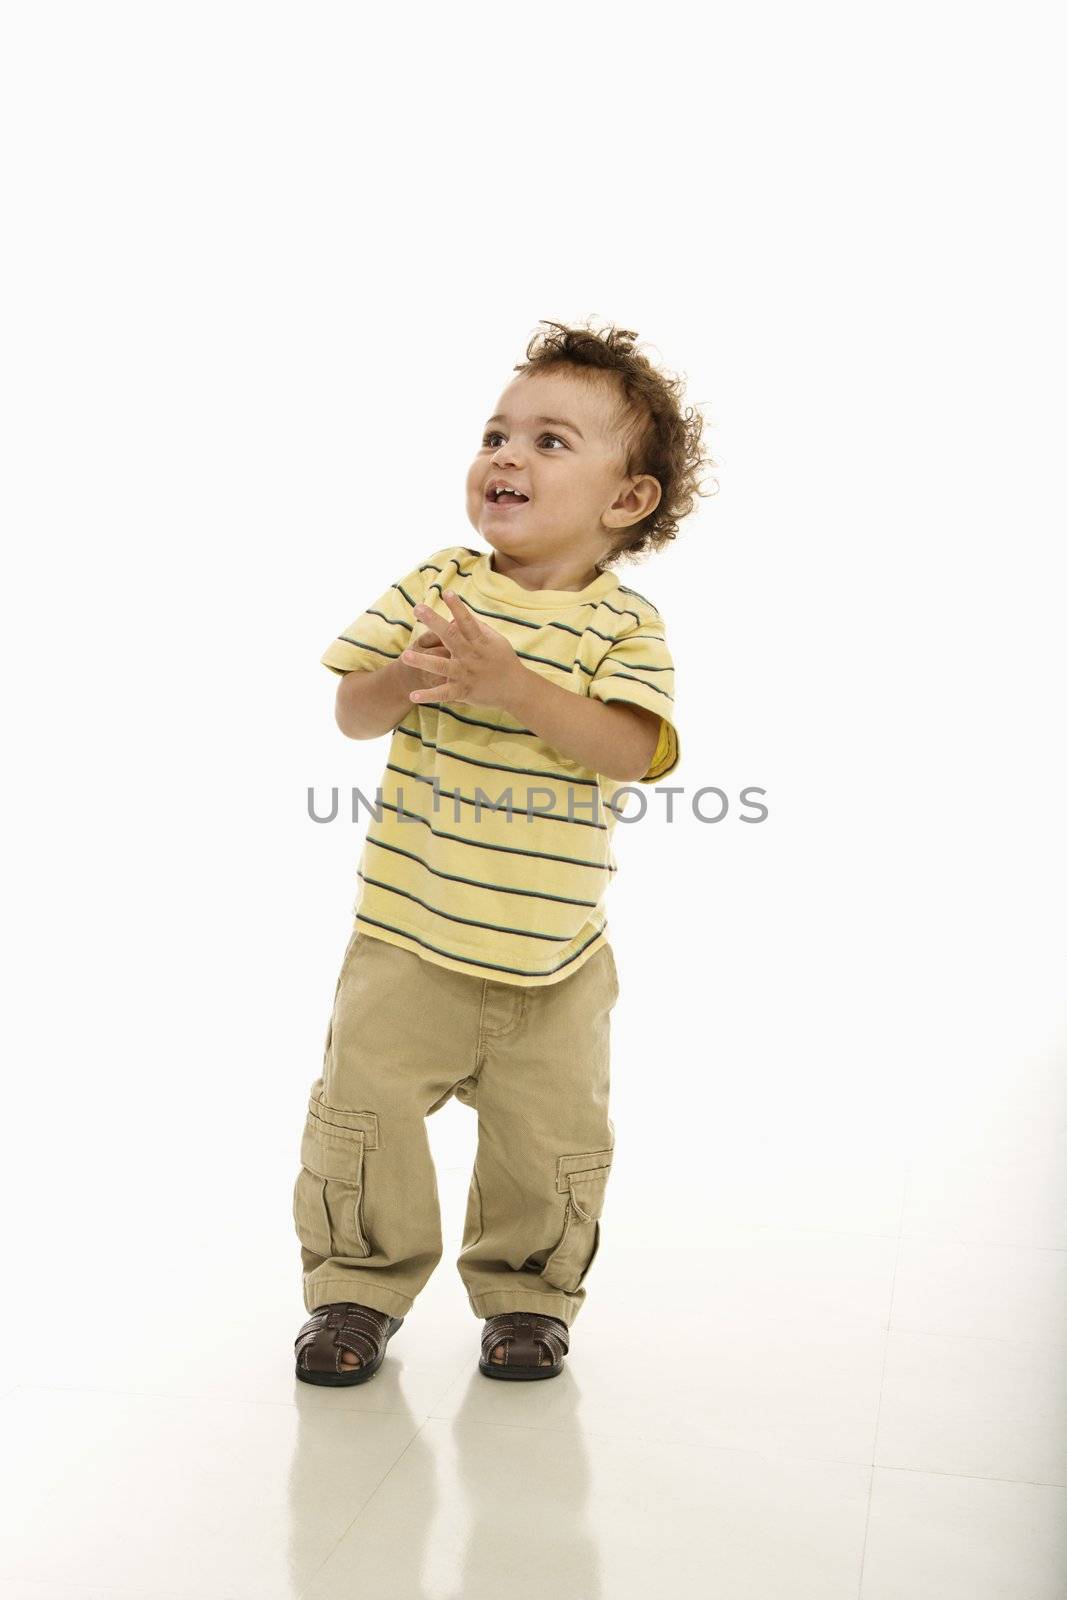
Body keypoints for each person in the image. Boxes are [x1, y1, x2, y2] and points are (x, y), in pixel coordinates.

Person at [292, 318, 713, 1384]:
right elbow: (352, 710)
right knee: (364, 1115)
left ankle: (527, 1297)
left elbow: (626, 748)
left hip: (552, 961)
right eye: (495, 432)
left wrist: (511, 687)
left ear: (626, 501)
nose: (505, 456)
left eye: (549, 441)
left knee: (547, 1141)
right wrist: (407, 676)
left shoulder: (623, 627)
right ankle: (356, 1287)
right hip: (407, 937)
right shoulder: (437, 585)